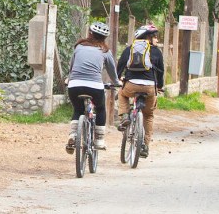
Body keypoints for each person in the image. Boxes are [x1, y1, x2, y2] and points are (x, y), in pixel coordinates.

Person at [65, 21, 121, 153]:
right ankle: (99, 140)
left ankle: (73, 135)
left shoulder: (79, 47)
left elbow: (72, 66)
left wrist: (69, 78)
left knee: (78, 109)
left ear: (90, 33)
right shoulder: (105, 51)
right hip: (95, 86)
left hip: (75, 84)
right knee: (100, 109)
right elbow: (112, 71)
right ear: (104, 38)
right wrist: (116, 82)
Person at [116, 23, 165, 158]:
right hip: (149, 88)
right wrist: (159, 86)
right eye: (154, 36)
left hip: (131, 85)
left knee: (122, 94)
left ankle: (124, 116)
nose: (156, 39)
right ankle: (145, 146)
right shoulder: (156, 52)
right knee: (148, 116)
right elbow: (161, 72)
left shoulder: (130, 49)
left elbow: (120, 66)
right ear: (148, 37)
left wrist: (119, 78)